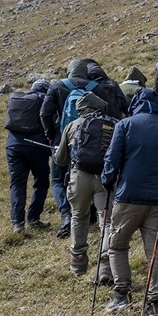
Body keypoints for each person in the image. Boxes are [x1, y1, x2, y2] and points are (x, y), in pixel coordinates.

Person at [100, 89, 158, 316]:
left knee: (117, 244)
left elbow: (112, 158)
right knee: (157, 251)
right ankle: (154, 303)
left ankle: (122, 295)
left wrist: (107, 181)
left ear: (135, 104)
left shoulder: (125, 125)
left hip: (129, 196)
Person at [53, 91, 111, 278]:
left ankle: (77, 262)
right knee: (106, 220)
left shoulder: (72, 125)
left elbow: (60, 160)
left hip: (79, 177)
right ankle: (105, 264)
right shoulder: (112, 124)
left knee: (79, 216)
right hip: (104, 178)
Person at [40, 58, 97, 239]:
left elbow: (44, 113)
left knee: (58, 178)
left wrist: (51, 134)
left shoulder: (57, 86)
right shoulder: (95, 87)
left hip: (63, 137)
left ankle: (66, 215)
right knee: (89, 174)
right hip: (89, 139)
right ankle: (90, 212)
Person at [4, 79, 52, 233]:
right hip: (36, 146)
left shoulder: (18, 100)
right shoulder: (44, 99)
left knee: (17, 184)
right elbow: (50, 122)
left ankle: (17, 223)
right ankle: (33, 218)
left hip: (13, 146)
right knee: (41, 182)